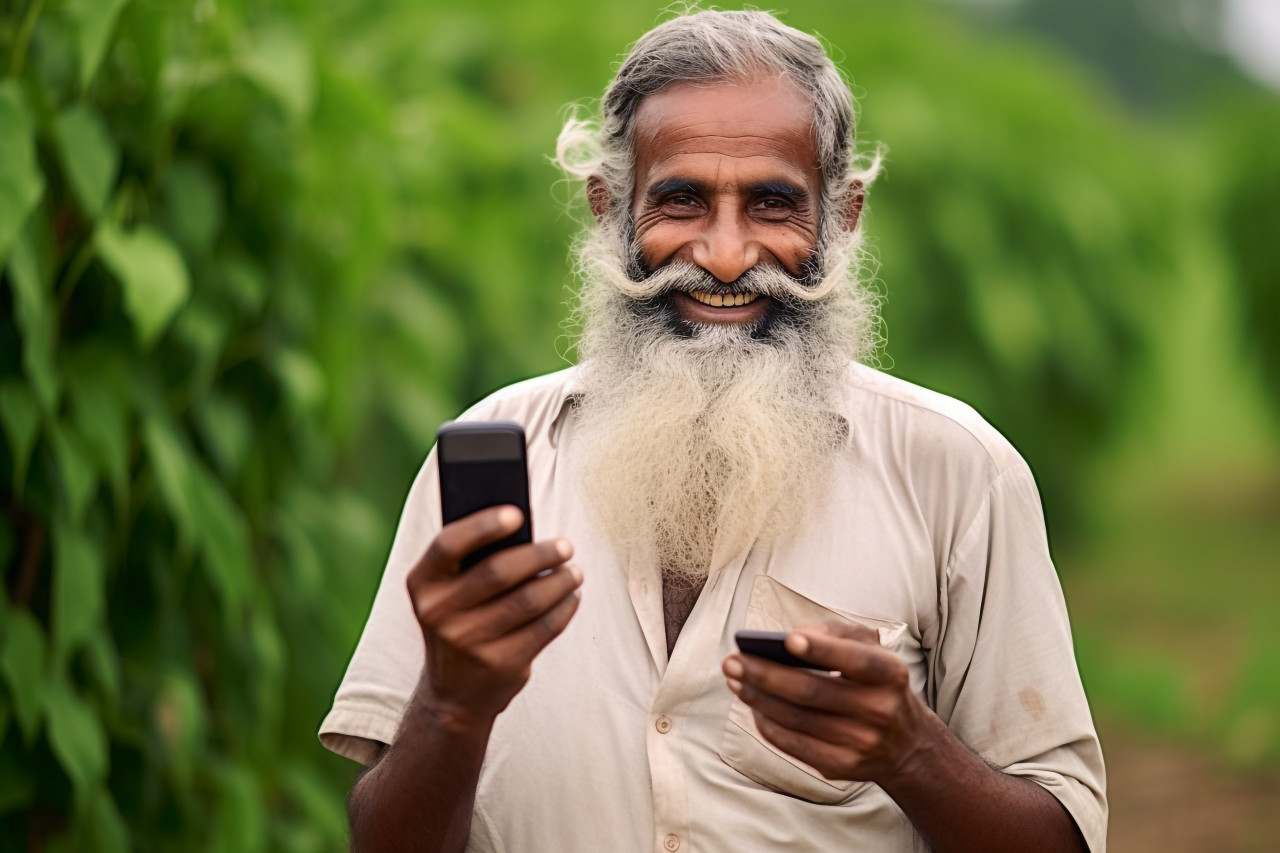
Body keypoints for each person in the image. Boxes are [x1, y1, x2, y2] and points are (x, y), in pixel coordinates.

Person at [320, 9, 1107, 852]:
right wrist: (451, 703)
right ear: (608, 209)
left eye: (772, 204)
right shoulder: (498, 451)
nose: (726, 255)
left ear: (843, 216)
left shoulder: (955, 471)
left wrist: (911, 751)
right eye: (681, 200)